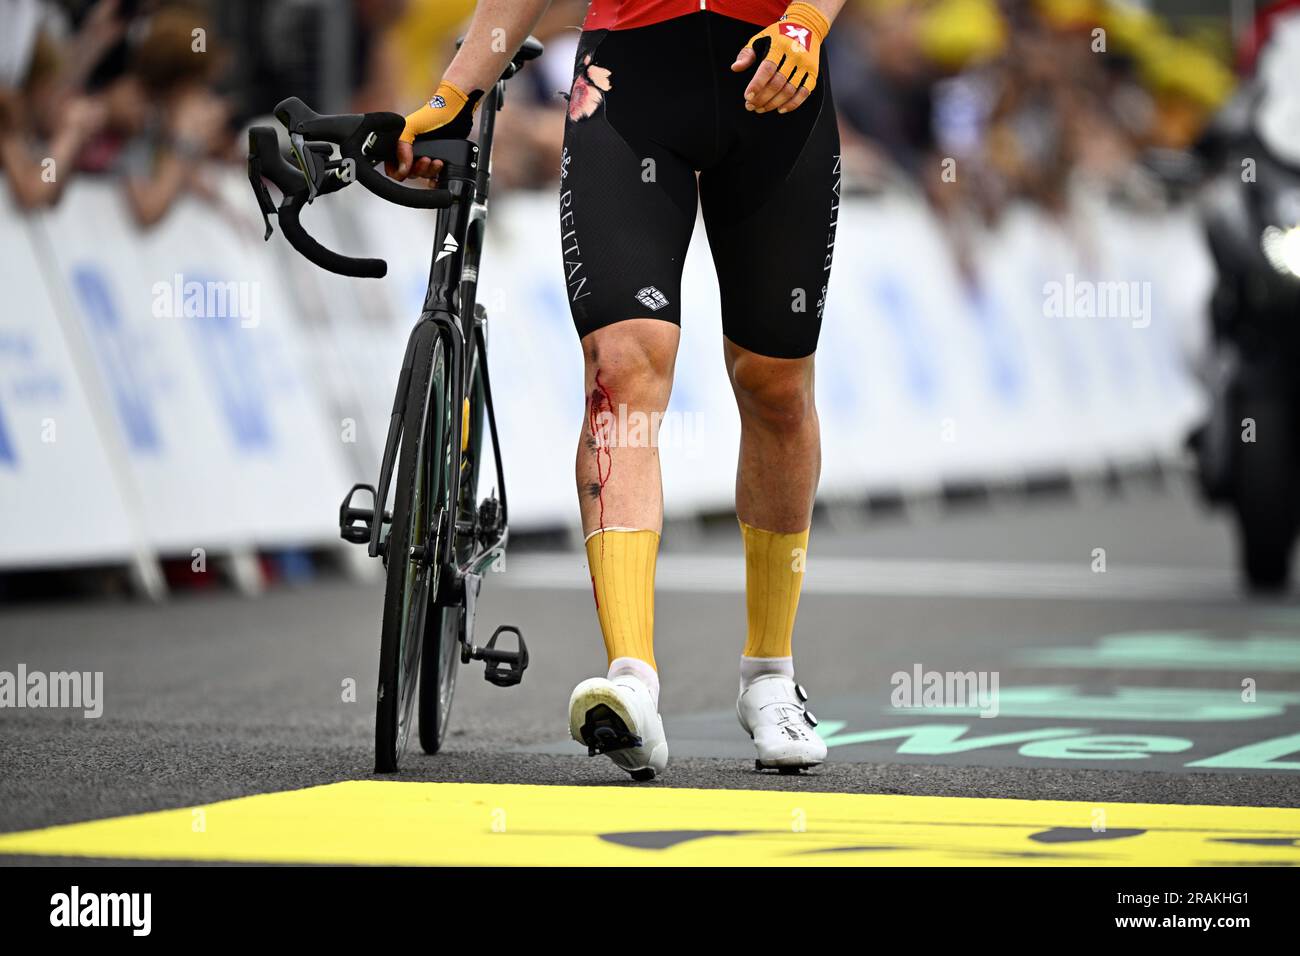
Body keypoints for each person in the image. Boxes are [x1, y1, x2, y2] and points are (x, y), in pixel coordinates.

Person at [391, 0, 842, 780]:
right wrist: (456, 88)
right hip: (629, 77)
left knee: (775, 385)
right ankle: (631, 679)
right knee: (620, 370)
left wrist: (809, 19)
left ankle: (769, 674)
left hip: (776, 73)